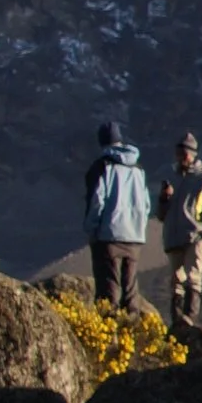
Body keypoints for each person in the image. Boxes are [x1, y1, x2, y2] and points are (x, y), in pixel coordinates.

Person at [156, 130, 202, 330]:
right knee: (176, 281)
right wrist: (164, 198)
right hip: (173, 239)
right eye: (178, 154)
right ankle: (177, 321)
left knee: (193, 277)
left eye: (185, 154)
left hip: (195, 237)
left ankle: (190, 318)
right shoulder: (170, 177)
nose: (181, 158)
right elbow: (161, 214)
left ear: (193, 154)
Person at [83, 123, 153, 312]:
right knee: (130, 291)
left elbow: (97, 200)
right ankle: (131, 329)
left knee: (109, 290)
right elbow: (146, 205)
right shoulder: (138, 168)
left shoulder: (103, 167)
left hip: (108, 236)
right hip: (135, 237)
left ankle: (108, 332)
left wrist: (92, 229)